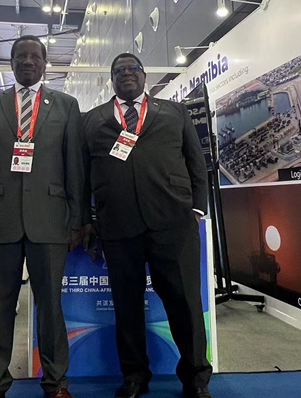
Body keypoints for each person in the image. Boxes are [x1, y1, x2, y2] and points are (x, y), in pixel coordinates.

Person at [81, 53, 212, 398]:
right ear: (111, 79)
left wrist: (197, 209)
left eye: (133, 69)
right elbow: (82, 174)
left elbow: (196, 163)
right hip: (117, 225)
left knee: (184, 303)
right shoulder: (91, 120)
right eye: (119, 70)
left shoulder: (175, 113)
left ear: (144, 75)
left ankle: (196, 378)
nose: (126, 74)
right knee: (126, 306)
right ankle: (135, 377)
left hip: (174, 223)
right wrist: (86, 219)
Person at [0, 35, 83, 398]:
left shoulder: (66, 105)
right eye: (21, 56)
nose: (28, 61)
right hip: (0, 218)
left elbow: (74, 167)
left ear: (45, 63)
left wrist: (77, 220)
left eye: (35, 56)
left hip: (50, 219)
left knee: (50, 306)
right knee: (0, 304)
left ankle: (56, 381)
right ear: (11, 62)